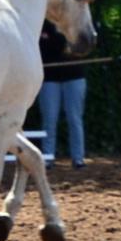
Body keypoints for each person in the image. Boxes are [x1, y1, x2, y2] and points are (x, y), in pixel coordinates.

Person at [37, 21, 86, 169]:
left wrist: (54, 43)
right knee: (49, 120)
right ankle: (48, 158)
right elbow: (43, 49)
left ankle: (78, 158)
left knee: (75, 118)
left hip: (74, 76)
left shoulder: (75, 23)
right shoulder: (43, 24)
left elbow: (78, 48)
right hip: (50, 78)